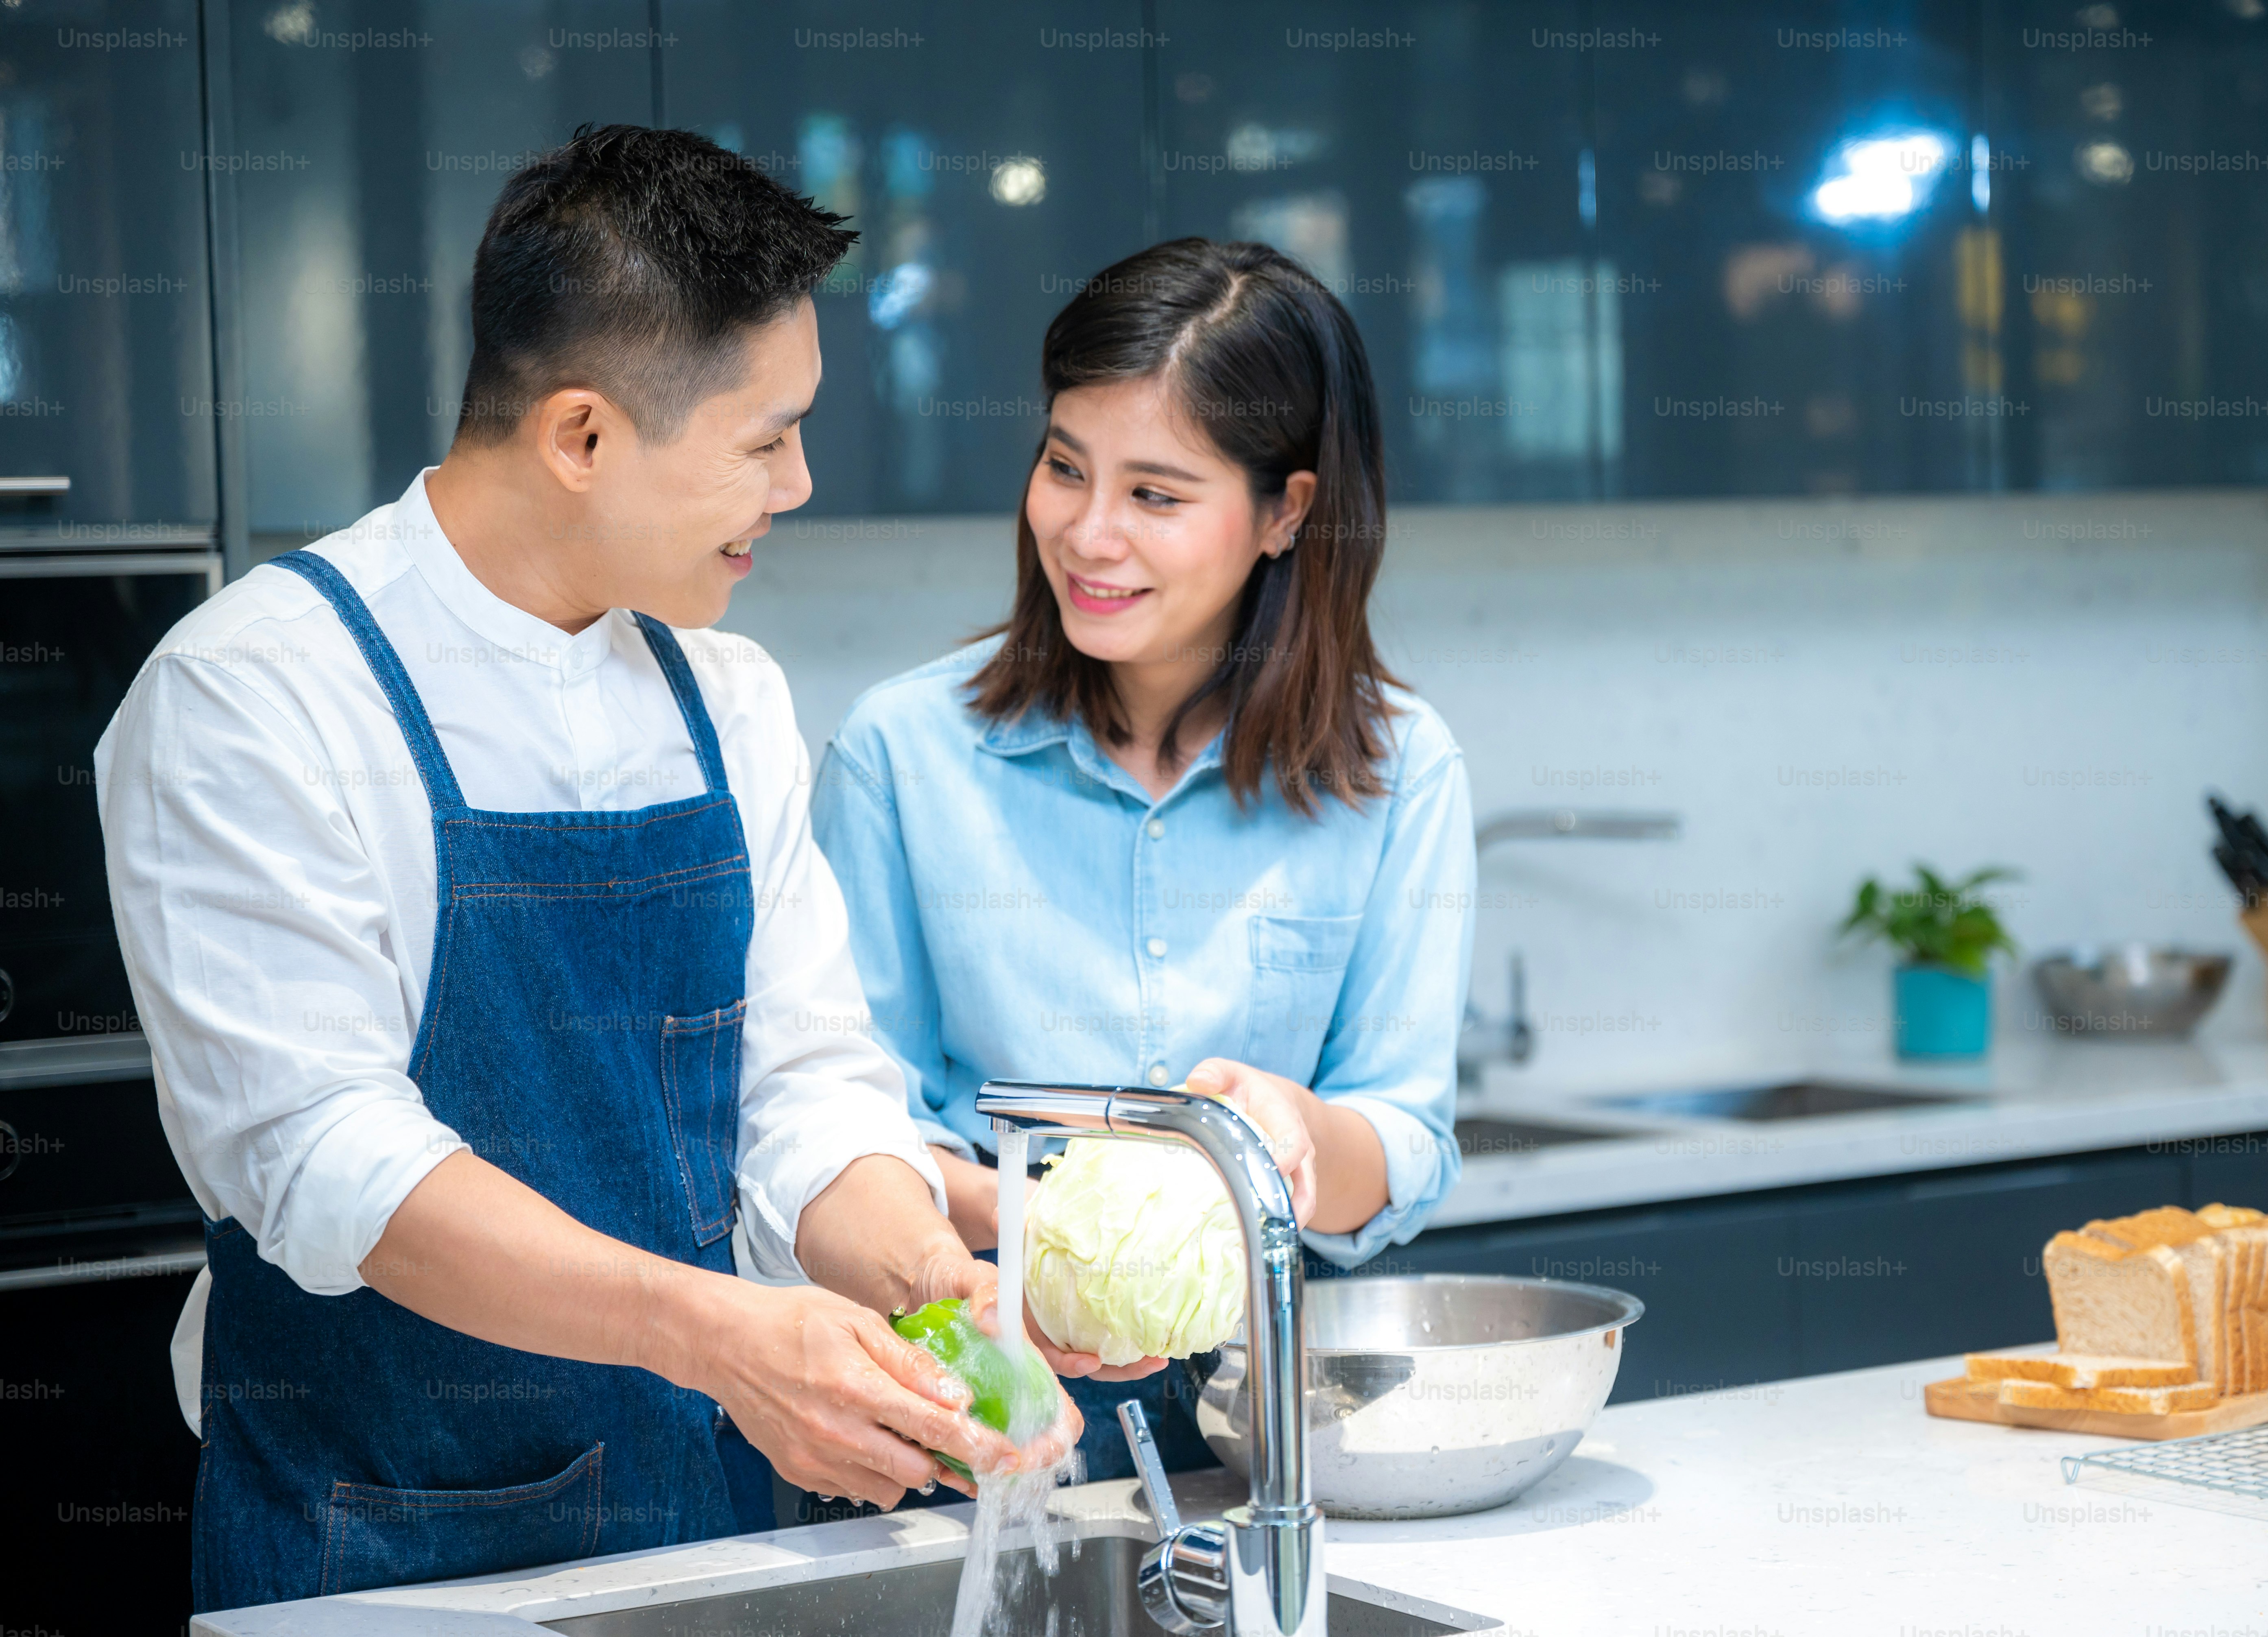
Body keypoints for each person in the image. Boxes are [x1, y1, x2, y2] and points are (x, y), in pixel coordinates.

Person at [96, 126, 1084, 1616]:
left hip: (727, 1532)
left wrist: (930, 1283)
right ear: (581, 438)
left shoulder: (726, 699)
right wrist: (721, 1336)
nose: (801, 483)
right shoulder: (255, 696)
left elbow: (805, 1089)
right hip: (388, 1554)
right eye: (766, 441)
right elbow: (330, 1160)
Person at [814, 238, 1474, 1481]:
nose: (1089, 533)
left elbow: (1406, 1139)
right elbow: (849, 1126)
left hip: (1269, 1430)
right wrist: (1059, 1250)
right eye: (1066, 467)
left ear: (1288, 511)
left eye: (1158, 496)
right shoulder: (900, 756)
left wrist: (1287, 1143)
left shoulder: (1402, 771)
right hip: (974, 1387)